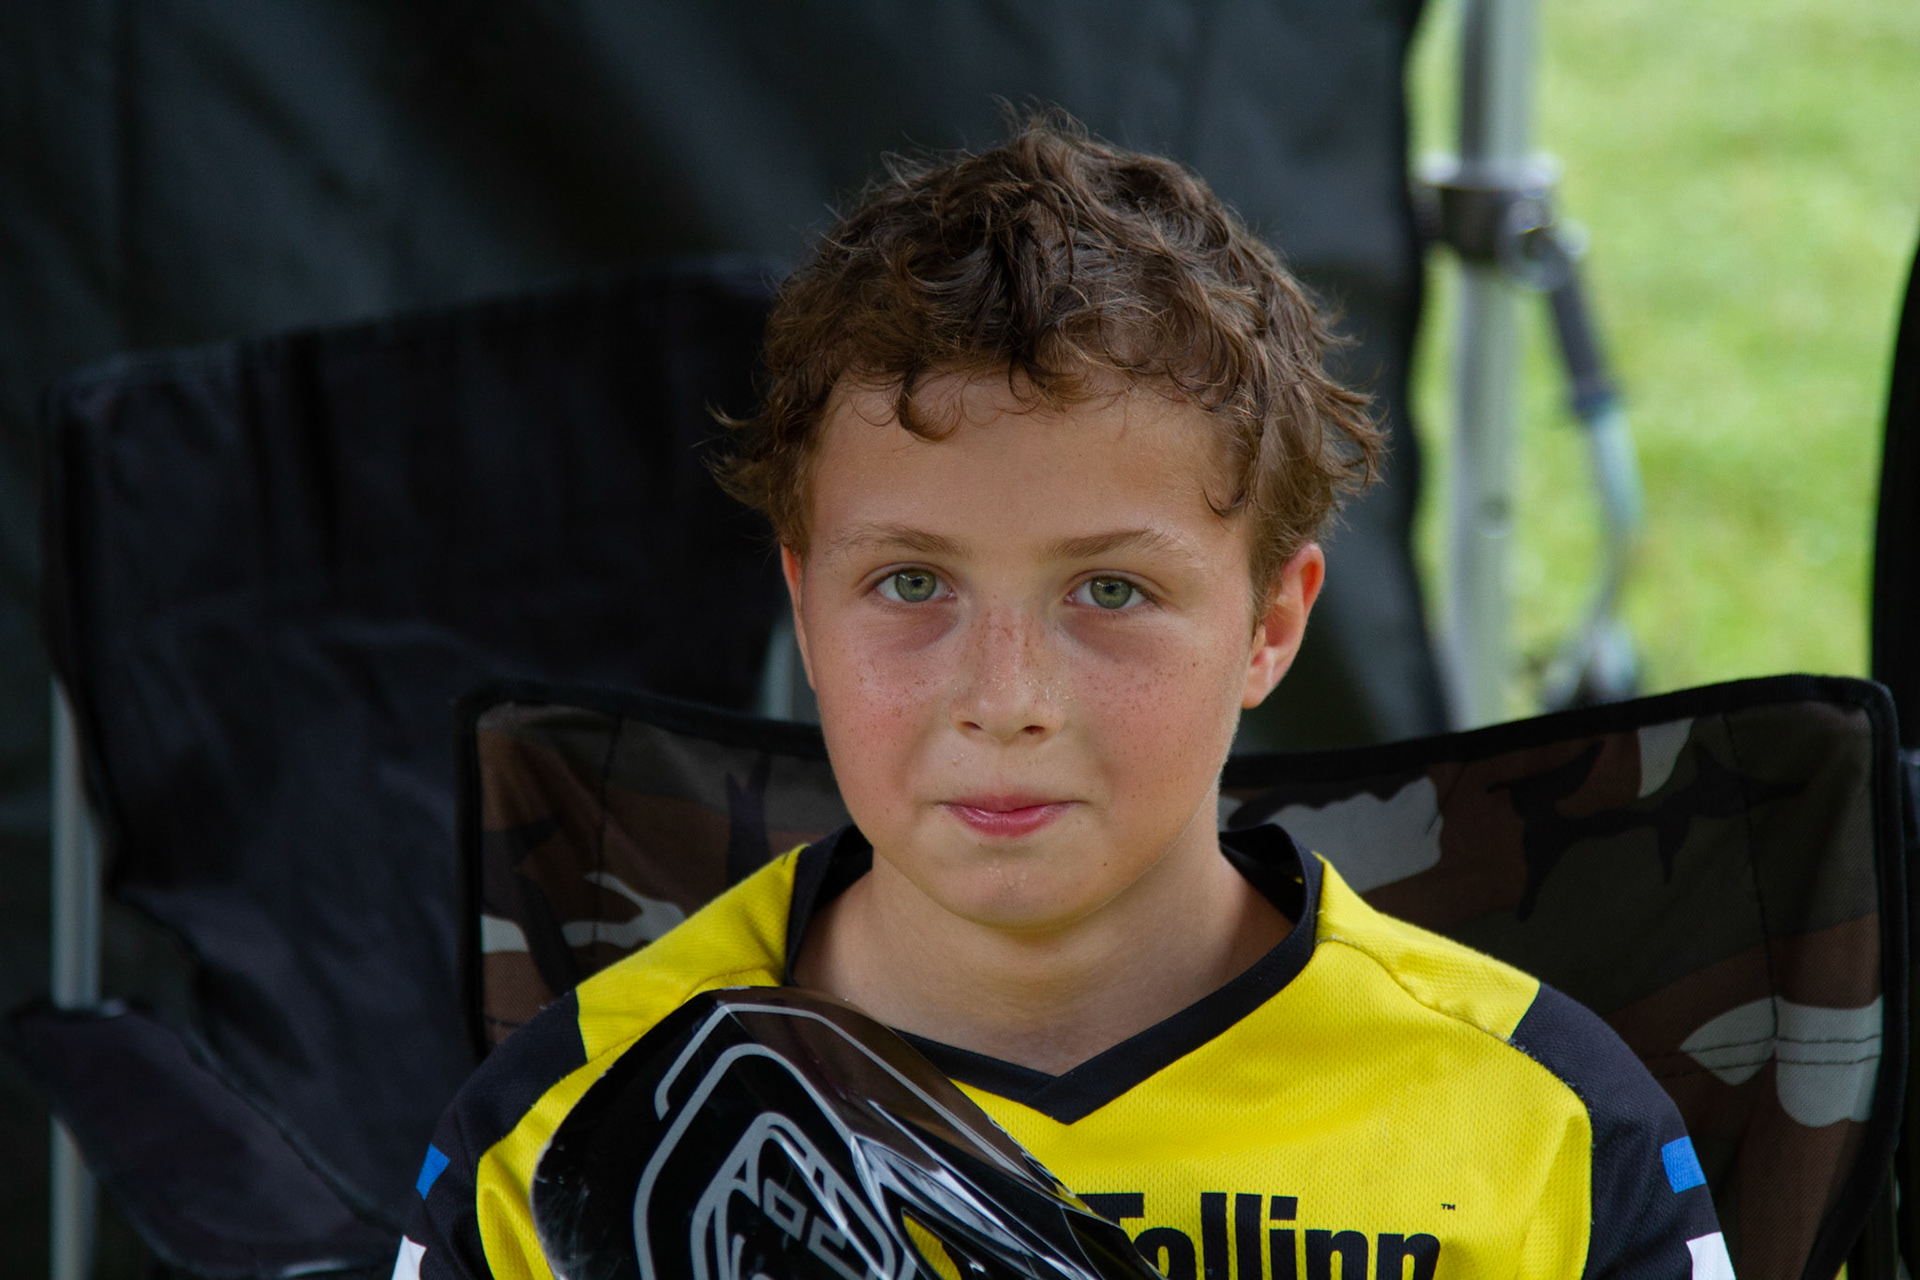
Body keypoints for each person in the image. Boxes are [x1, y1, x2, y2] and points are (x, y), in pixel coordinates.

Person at [394, 114, 1729, 1280]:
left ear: (1270, 625)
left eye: (1110, 591)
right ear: (803, 606)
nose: (1006, 698)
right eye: (912, 584)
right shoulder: (574, 1132)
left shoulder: (1544, 1124)